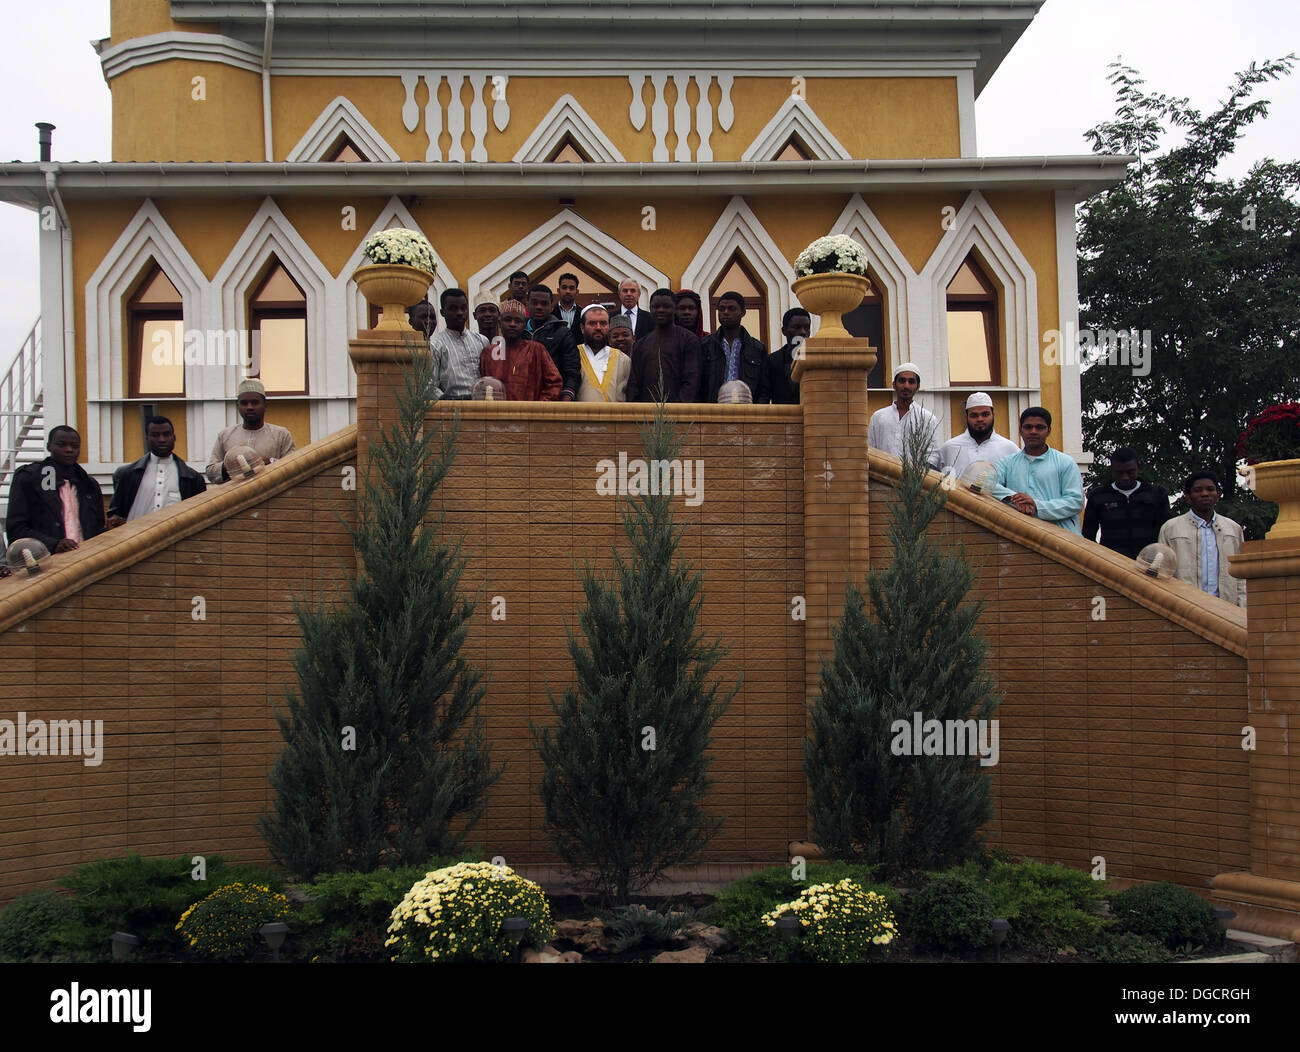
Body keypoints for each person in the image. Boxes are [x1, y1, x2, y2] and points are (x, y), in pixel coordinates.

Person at [5, 425, 106, 551]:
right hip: (47, 565)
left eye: (74, 446)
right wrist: (53, 544)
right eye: (61, 444)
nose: (69, 450)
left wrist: (110, 530)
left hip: (86, 562)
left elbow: (97, 529)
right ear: (49, 446)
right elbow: (16, 529)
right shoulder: (29, 478)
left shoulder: (89, 485)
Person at [1157, 472, 1246, 606]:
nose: (1205, 494)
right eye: (1198, 490)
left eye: (1210, 489)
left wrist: (1242, 606)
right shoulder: (1171, 528)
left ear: (1217, 495)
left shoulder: (1233, 529)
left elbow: (1241, 572)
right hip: (1186, 607)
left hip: (1227, 607)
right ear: (1188, 497)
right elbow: (1162, 572)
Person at [991, 407, 1084, 533]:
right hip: (1020, 534)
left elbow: (1075, 502)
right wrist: (1016, 499)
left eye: (1040, 427)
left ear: (1048, 431)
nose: (1033, 432)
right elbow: (989, 484)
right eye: (1028, 427)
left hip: (1061, 537)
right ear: (1020, 430)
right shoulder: (1007, 463)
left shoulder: (1065, 462)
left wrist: (1037, 506)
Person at [107, 416, 206, 526]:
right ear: (146, 438)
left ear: (174, 437)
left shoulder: (192, 478)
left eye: (166, 434)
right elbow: (114, 516)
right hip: (133, 539)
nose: (161, 439)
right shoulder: (126, 475)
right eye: (155, 435)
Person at [1082, 447, 1171, 558]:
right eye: (1119, 473)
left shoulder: (1157, 494)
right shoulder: (1098, 496)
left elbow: (1166, 531)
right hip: (1113, 563)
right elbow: (1088, 535)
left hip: (1149, 563)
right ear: (1112, 469)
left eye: (1130, 472)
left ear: (1138, 468)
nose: (1125, 477)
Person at [204, 378, 296, 482]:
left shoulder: (281, 435)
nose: (249, 407)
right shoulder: (225, 435)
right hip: (234, 496)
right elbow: (211, 473)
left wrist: (269, 462)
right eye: (244, 403)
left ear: (265, 405)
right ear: (238, 406)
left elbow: (293, 468)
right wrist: (229, 465)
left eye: (255, 402)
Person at [625, 288, 701, 403]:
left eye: (666, 306)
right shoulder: (641, 344)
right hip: (646, 414)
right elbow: (633, 384)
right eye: (656, 307)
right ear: (650, 309)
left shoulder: (689, 340)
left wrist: (677, 411)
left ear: (674, 309)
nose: (661, 310)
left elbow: (692, 381)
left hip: (679, 414)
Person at [478, 300, 563, 401]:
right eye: (508, 320)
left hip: (530, 414)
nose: (512, 324)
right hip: (498, 414)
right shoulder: (489, 353)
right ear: (500, 323)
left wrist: (539, 407)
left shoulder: (536, 350)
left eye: (517, 321)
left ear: (524, 325)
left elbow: (555, 383)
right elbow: (483, 386)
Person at [699, 291, 769, 403]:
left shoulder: (757, 349)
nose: (725, 312)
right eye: (721, 309)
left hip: (747, 413)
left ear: (743, 312)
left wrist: (758, 414)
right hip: (713, 412)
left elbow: (764, 389)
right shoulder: (705, 345)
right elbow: (698, 385)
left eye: (732, 309)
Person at [867, 362, 939, 468]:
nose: (906, 386)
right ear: (894, 385)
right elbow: (870, 450)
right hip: (882, 479)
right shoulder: (879, 417)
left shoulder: (928, 419)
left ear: (917, 386)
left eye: (911, 382)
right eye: (902, 381)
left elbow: (932, 456)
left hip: (913, 482)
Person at [937, 392, 1019, 475]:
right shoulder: (949, 448)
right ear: (966, 417)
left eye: (985, 414)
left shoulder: (1009, 448)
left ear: (993, 415)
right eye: (974, 415)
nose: (980, 419)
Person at [431, 288, 488, 400]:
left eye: (463, 308)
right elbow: (429, 386)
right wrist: (451, 400)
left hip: (482, 408)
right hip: (453, 410)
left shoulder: (482, 341)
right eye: (453, 309)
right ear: (443, 312)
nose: (459, 313)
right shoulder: (435, 345)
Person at [526, 284, 580, 400]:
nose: (539, 307)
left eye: (544, 304)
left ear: (551, 307)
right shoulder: (518, 332)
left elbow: (571, 371)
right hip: (520, 401)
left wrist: (566, 398)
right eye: (534, 303)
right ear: (527, 304)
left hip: (553, 401)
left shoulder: (563, 334)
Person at [576, 305, 629, 402]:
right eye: (592, 323)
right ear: (582, 328)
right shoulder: (573, 354)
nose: (598, 328)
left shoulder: (622, 359)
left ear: (609, 326)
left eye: (603, 323)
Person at [762, 308, 811, 405]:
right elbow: (764, 395)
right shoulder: (771, 361)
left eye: (806, 328)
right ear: (784, 331)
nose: (803, 332)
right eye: (796, 327)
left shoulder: (816, 359)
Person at [552, 272, 583, 339]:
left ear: (577, 292)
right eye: (564, 287)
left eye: (571, 288)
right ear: (558, 290)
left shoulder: (583, 314)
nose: (568, 291)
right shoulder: (550, 313)